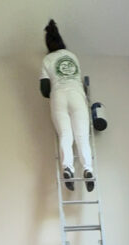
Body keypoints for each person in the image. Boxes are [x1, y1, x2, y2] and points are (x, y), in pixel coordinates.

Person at [40, 19, 96, 192]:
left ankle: (68, 169)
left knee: (66, 135)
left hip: (59, 97)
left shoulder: (47, 59)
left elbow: (44, 89)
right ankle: (88, 169)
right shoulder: (73, 56)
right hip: (77, 95)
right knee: (82, 136)